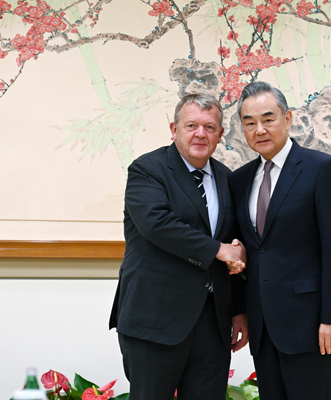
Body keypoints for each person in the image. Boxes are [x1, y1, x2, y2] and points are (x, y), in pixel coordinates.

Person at [109, 93, 249, 400]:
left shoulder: (228, 179)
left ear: (221, 134)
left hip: (212, 325)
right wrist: (218, 249)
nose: (201, 134)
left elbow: (235, 246)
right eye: (191, 126)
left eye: (210, 127)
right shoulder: (148, 170)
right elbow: (157, 224)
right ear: (174, 129)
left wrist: (239, 310)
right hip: (154, 321)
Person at [230, 81, 331, 400]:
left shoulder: (322, 169)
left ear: (287, 118)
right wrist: (239, 309)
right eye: (249, 122)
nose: (259, 129)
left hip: (312, 326)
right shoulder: (240, 180)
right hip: (263, 326)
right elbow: (244, 251)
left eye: (268, 119)